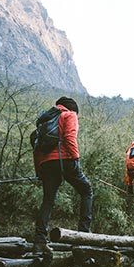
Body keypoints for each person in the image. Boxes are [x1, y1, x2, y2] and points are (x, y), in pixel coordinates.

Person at [33, 96, 93, 254]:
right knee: (86, 191)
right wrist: (75, 158)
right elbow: (69, 137)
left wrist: (39, 170)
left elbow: (37, 148)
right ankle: (84, 234)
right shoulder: (69, 115)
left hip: (46, 163)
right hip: (65, 159)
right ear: (72, 108)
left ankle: (39, 240)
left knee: (48, 200)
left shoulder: (45, 121)